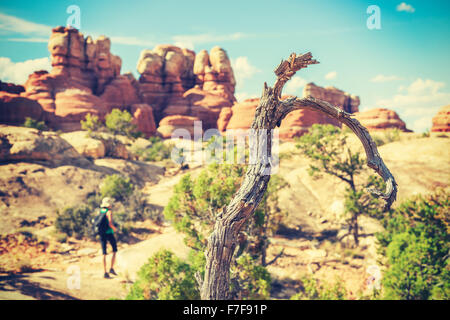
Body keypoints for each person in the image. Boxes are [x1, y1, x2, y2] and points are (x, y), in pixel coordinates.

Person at [99, 197, 118, 278]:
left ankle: (104, 272)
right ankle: (111, 268)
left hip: (102, 233)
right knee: (114, 250)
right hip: (109, 233)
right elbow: (110, 223)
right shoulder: (109, 212)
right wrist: (114, 229)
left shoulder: (101, 211)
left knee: (104, 253)